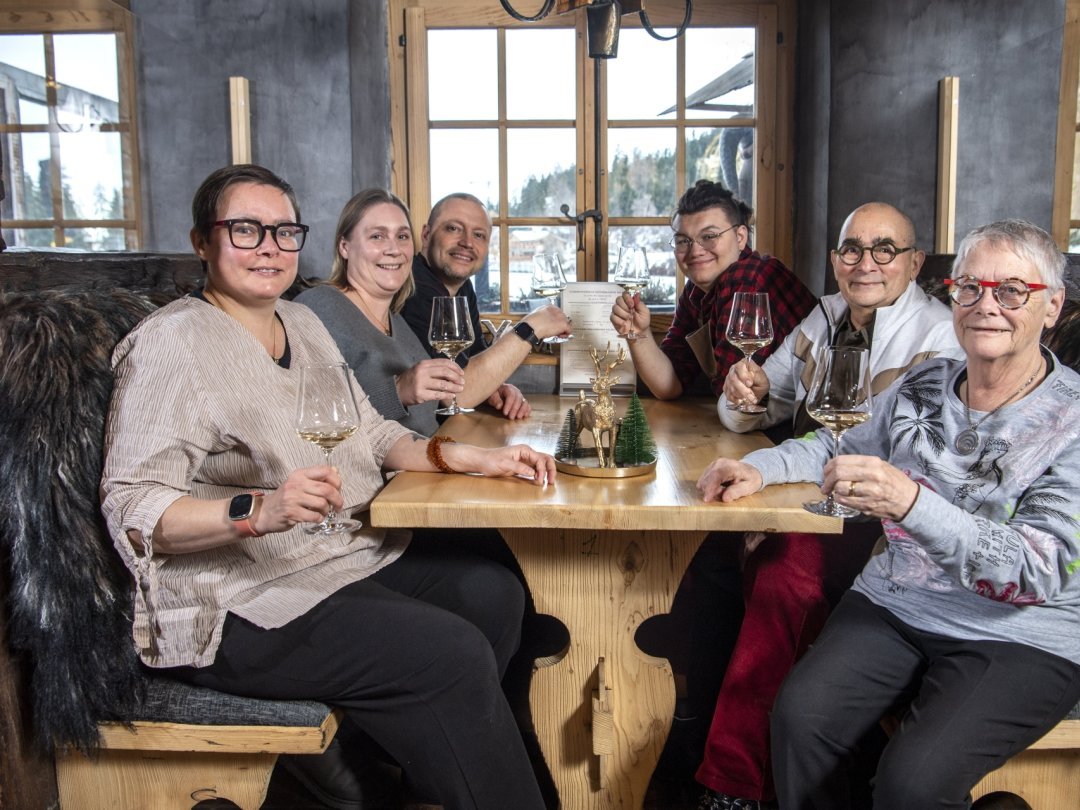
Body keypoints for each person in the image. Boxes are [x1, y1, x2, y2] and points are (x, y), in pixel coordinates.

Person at [100, 164, 555, 810]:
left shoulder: (302, 323)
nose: (269, 248)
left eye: (284, 232)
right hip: (237, 599)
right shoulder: (171, 346)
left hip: (329, 555)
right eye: (246, 230)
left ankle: (433, 775)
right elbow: (132, 507)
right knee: (449, 653)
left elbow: (368, 432)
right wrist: (257, 510)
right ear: (204, 242)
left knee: (493, 595)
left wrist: (464, 459)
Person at [700, 219, 1080, 810]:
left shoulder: (1074, 420)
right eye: (971, 288)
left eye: (1011, 291)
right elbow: (839, 446)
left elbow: (1039, 568)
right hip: (897, 602)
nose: (986, 306)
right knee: (799, 720)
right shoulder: (927, 382)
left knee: (911, 784)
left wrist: (911, 502)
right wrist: (763, 467)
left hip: (1020, 634)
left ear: (1051, 306)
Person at [692, 202, 963, 810]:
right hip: (822, 497)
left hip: (896, 527)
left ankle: (736, 783)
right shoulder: (826, 316)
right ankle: (694, 741)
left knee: (785, 570)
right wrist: (748, 392)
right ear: (836, 259)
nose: (865, 263)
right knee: (709, 557)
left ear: (915, 263)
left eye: (884, 250)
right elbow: (767, 405)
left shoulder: (943, 337)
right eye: (851, 250)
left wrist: (768, 472)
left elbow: (887, 457)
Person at [610, 180, 815, 400]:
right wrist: (638, 334)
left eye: (709, 237)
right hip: (750, 422)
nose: (695, 251)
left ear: (740, 237)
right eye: (683, 240)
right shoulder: (694, 292)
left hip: (799, 426)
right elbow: (670, 385)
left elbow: (732, 396)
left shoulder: (748, 278)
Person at [295, 189, 470, 434]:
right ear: (345, 247)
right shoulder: (317, 308)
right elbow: (313, 419)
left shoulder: (397, 322)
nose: (394, 249)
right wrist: (398, 391)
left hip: (424, 460)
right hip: (378, 472)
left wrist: (493, 393)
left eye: (402, 236)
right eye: (377, 236)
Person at [400, 192, 572, 417]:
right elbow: (456, 395)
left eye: (479, 235)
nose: (467, 243)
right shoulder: (414, 288)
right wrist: (531, 328)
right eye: (453, 228)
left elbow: (473, 364)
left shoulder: (462, 288)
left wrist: (496, 388)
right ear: (426, 234)